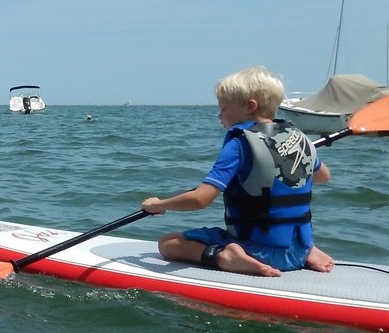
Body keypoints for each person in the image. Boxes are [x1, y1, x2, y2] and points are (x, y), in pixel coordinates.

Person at [141, 65, 334, 278]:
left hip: (255, 249)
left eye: (223, 109)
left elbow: (199, 200)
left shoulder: (240, 143)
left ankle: (225, 257)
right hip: (297, 252)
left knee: (168, 243)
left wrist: (157, 205)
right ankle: (307, 251)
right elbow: (323, 176)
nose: (219, 116)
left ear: (250, 106)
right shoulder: (300, 138)